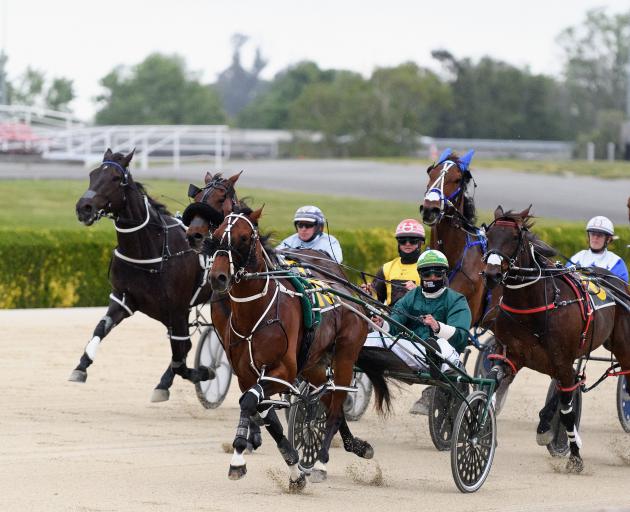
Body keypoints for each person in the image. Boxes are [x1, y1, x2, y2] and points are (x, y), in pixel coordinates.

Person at [366, 249, 472, 412]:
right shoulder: (411, 297)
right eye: (426, 273)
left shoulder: (456, 300)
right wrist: (382, 325)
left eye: (437, 273)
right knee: (375, 337)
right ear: (420, 275)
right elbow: (394, 326)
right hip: (414, 353)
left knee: (442, 344)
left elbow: (461, 336)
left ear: (444, 274)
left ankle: (440, 363)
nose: (431, 277)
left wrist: (437, 326)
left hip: (445, 357)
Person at [362, 219, 424, 306]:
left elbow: (439, 302)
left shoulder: (429, 269)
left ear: (421, 243)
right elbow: (377, 300)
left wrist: (418, 293)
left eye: (412, 240)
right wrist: (368, 293)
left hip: (420, 317)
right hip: (390, 316)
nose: (407, 244)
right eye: (402, 240)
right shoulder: (386, 268)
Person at [568, 216, 628, 283]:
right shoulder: (577, 258)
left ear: (608, 239)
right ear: (589, 236)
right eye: (593, 234)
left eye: (600, 235)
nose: (595, 238)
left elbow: (621, 289)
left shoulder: (616, 262)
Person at [276, 205, 343, 262]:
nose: (303, 229)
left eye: (308, 225)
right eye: (300, 225)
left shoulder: (330, 242)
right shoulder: (288, 242)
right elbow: (275, 257)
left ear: (318, 227)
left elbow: (336, 262)